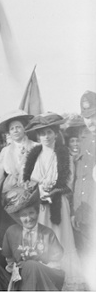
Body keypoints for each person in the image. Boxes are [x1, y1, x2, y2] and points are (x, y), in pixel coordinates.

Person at [23, 112, 85, 289]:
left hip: (58, 205)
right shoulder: (34, 154)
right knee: (41, 240)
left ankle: (63, 279)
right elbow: (27, 180)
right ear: (37, 135)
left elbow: (68, 183)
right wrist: (39, 190)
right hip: (39, 206)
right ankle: (43, 278)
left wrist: (54, 190)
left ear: (56, 133)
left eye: (50, 132)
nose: (46, 136)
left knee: (59, 238)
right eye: (42, 133)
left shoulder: (63, 154)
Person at [2, 187, 65, 291]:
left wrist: (34, 266)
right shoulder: (11, 232)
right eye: (23, 215)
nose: (28, 218)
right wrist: (16, 270)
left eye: (31, 213)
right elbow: (9, 259)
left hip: (45, 276)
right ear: (18, 217)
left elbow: (56, 263)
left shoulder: (47, 233)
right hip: (21, 277)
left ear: (37, 213)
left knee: (32, 266)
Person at [0, 109, 36, 240]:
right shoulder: (5, 151)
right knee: (11, 225)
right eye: (12, 128)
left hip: (30, 189)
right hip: (10, 191)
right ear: (9, 132)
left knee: (28, 222)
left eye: (18, 127)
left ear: (24, 129)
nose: (15, 130)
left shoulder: (35, 146)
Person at [72, 91, 96, 276]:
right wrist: (75, 210)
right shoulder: (86, 142)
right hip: (84, 215)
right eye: (87, 117)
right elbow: (79, 180)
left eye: (94, 115)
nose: (91, 122)